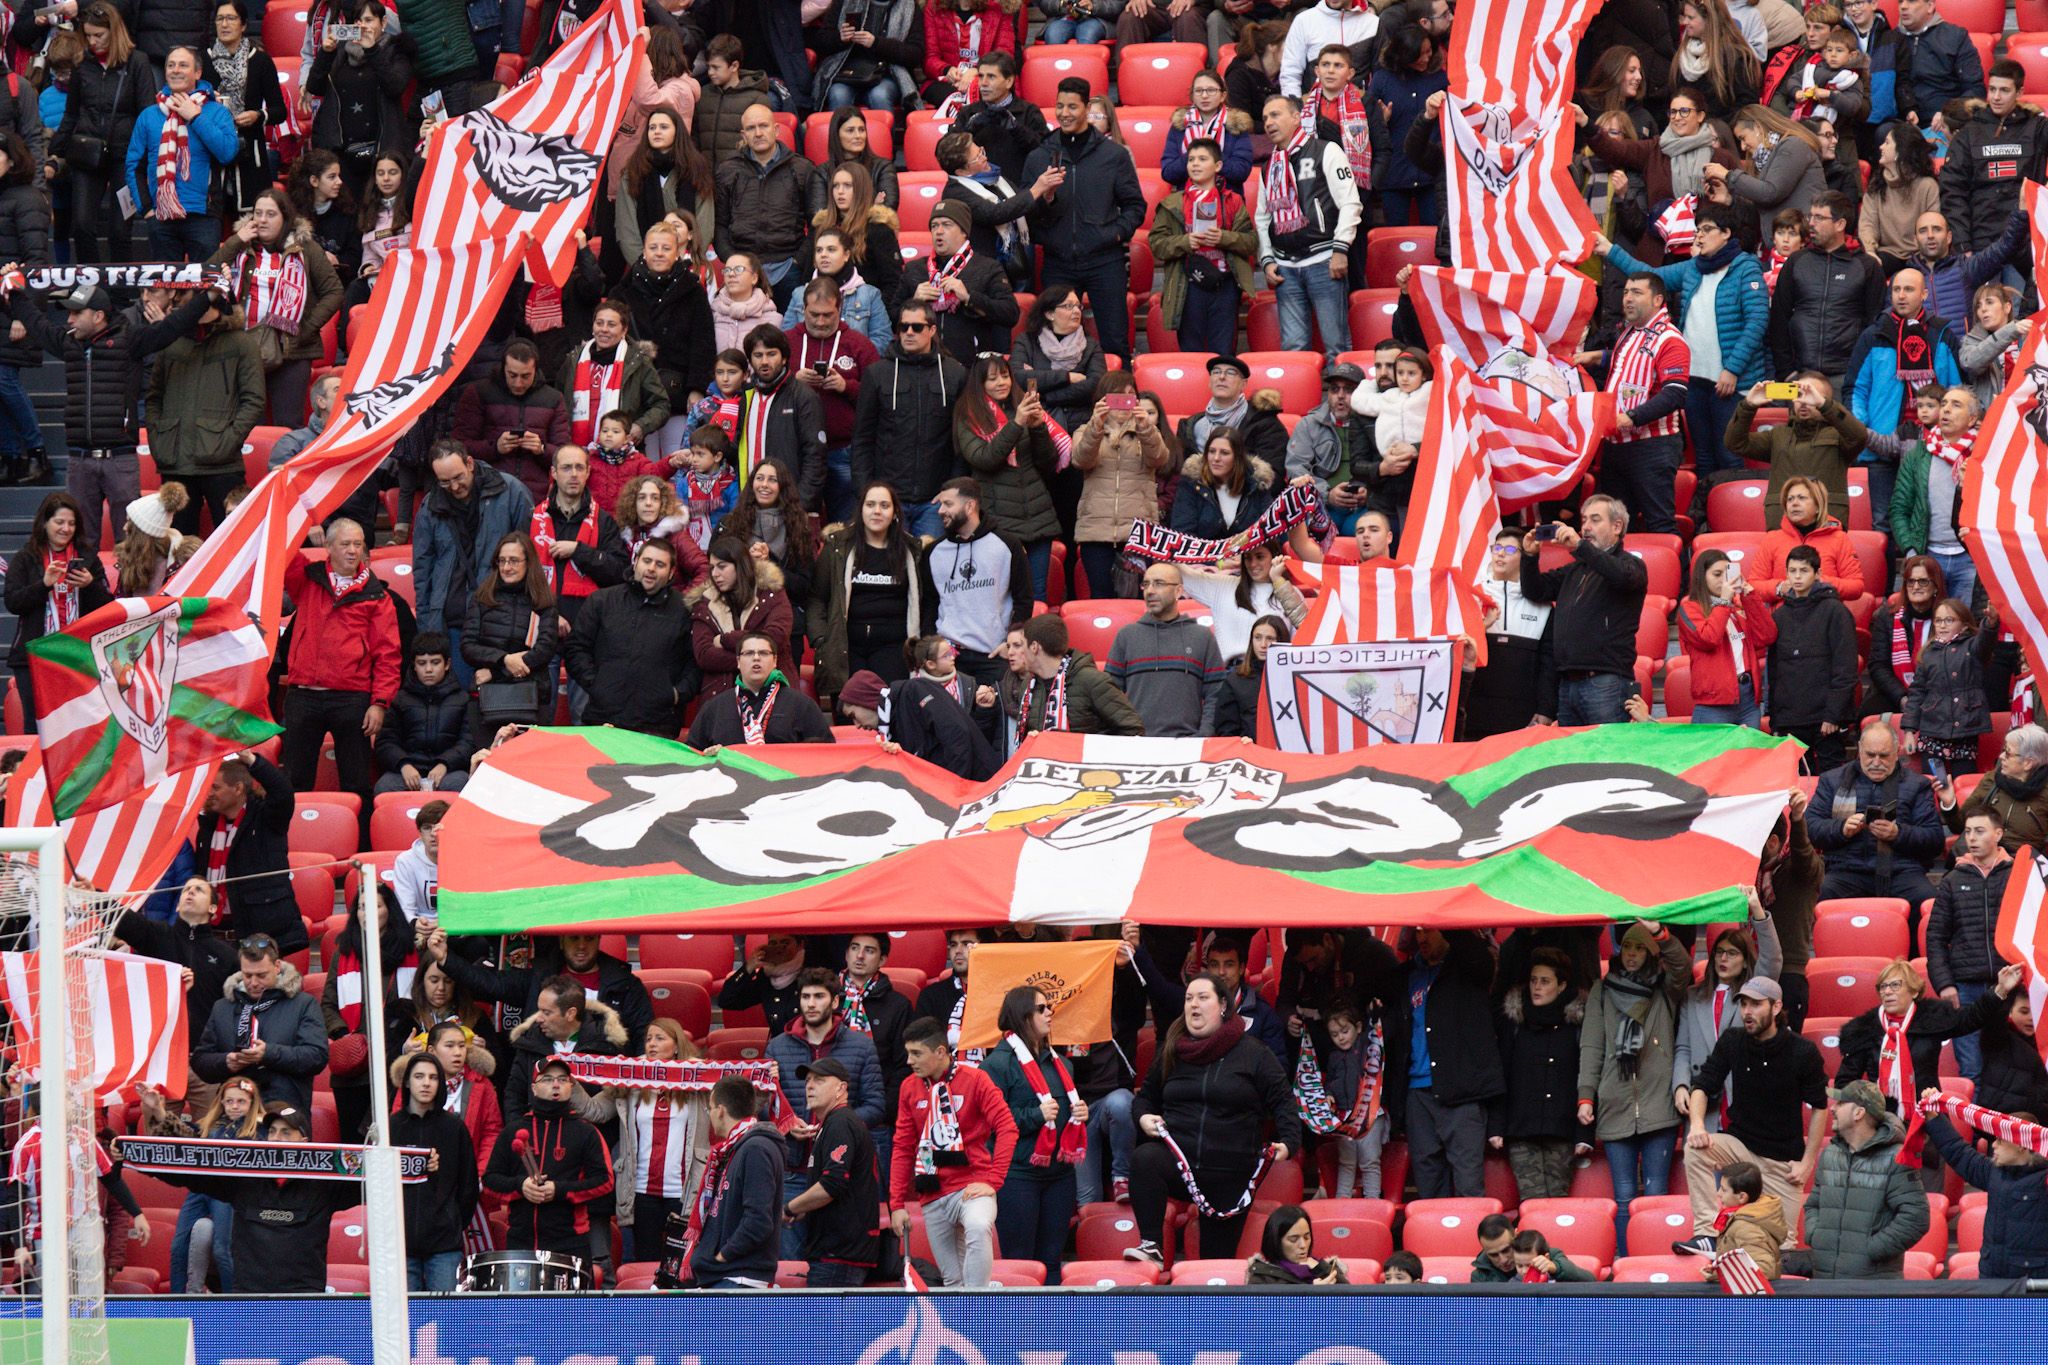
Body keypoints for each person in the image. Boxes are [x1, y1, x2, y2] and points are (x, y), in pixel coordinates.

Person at [1124, 973, 1298, 1266]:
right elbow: (1144, 1098)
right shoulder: (1172, 1050)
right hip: (1179, 1162)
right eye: (1189, 999)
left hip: (1230, 1171)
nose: (1193, 1005)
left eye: (1203, 998)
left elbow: (1283, 1101)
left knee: (1213, 1266)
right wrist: (1142, 1117)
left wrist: (1289, 1142)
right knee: (1144, 1158)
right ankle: (1151, 1246)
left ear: (1223, 1006)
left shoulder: (1254, 1053)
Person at [1594, 209, 1770, 478]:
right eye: (1698, 230)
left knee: (1729, 455)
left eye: (1707, 229)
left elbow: (1757, 321)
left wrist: (1733, 369)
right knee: (1703, 457)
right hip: (1694, 381)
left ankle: (1727, 504)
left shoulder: (1746, 268)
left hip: (1730, 383)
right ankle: (1706, 506)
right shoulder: (1693, 268)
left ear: (1726, 233)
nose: (1699, 235)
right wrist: (1610, 250)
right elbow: (1650, 276)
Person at [130, 1102, 358, 1294]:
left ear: (304, 1141)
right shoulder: (244, 1179)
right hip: (248, 1295)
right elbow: (186, 1173)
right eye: (272, 1132)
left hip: (305, 1297)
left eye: (286, 1132)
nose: (276, 1139)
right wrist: (134, 1155)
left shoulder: (324, 1184)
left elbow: (372, 1182)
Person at [1676, 977, 1829, 1249]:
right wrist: (1697, 1125)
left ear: (1776, 1007)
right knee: (1695, 1148)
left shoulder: (1802, 1051)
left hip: (1781, 1161)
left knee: (1783, 1248)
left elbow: (1820, 1107)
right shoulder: (1733, 1040)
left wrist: (1807, 1163)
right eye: (1744, 1004)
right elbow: (1702, 1086)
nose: (1747, 1012)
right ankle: (1708, 1234)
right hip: (1740, 1148)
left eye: (1756, 1005)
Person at [278, 521, 399, 836]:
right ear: (328, 547)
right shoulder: (308, 579)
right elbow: (282, 550)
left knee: (357, 782)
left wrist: (379, 703)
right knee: (294, 780)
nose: (353, 550)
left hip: (352, 698)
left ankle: (361, 848)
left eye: (358, 544)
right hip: (304, 695)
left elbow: (388, 654)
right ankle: (289, 844)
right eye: (345, 544)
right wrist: (291, 519)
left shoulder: (377, 595)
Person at [1578, 920, 1691, 1254]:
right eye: (1627, 946)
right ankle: (1628, 1264)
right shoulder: (1602, 990)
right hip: (1616, 1103)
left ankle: (1657, 1260)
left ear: (1651, 953)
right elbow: (1592, 1046)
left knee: (1655, 1194)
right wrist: (1586, 1096)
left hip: (1659, 1104)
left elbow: (1683, 967)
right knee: (1624, 1196)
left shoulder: (1665, 988)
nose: (1631, 954)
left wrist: (1661, 935)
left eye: (1640, 948)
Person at [1022, 78, 1146, 362]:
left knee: (1115, 340)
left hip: (1105, 261)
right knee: (1057, 343)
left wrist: (1116, 233)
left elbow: (1135, 206)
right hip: (1058, 262)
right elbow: (1026, 209)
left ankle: (1120, 390)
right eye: (1059, 106)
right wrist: (1046, 200)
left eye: (1072, 106)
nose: (1064, 113)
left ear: (1087, 108)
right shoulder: (1039, 156)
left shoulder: (1113, 155)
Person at [891, 1015, 1018, 1287]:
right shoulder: (908, 1087)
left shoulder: (976, 1079)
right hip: (932, 1189)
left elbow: (1007, 1127)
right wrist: (897, 1204)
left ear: (940, 1052)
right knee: (952, 1280)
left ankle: (976, 1301)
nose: (909, 1061)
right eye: (908, 1053)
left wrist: (993, 1180)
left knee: (979, 1227)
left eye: (916, 1053)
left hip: (972, 1184)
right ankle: (969, 1309)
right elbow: (903, 1146)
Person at [977, 985, 1085, 1281]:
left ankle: (1051, 1314)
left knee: (1052, 1261)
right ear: (1022, 1015)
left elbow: (1061, 1112)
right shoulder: (996, 1065)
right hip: (1017, 1176)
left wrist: (1078, 1114)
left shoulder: (1062, 1064)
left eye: (1049, 1007)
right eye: (1041, 1008)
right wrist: (1035, 1115)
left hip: (1060, 1175)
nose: (1050, 1013)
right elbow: (988, 1122)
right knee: (1020, 1262)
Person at [1392, 928, 1504, 1202]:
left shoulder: (1470, 967)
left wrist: (1446, 920)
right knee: (1429, 1189)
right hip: (1417, 1093)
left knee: (1468, 1188)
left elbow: (1481, 960)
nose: (1421, 938)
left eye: (1429, 930)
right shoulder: (1406, 974)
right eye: (1417, 930)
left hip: (1462, 1091)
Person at [583, 1018, 707, 1266]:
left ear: (677, 1046)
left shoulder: (699, 1077)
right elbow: (593, 1111)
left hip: (684, 1191)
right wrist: (568, 1079)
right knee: (644, 1263)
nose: (651, 1044)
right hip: (641, 1191)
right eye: (648, 1038)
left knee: (682, 1266)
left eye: (660, 1038)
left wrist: (764, 1081)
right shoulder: (631, 1076)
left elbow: (740, 1102)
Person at [1846, 267, 1961, 533]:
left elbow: (1957, 389)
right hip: (1882, 443)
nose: (1901, 295)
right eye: (1896, 289)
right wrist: (1865, 428)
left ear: (1924, 294)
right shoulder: (1874, 335)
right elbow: (1855, 389)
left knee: (1931, 519)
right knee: (1882, 522)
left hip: (1934, 443)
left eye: (1908, 289)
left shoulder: (1941, 333)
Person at [143, 287, 264, 534]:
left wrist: (227, 441)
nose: (189, 307)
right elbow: (154, 398)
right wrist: (159, 439)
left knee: (232, 538)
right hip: (174, 460)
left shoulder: (241, 344)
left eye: (196, 302)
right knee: (177, 542)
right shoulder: (170, 341)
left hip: (222, 464)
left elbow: (254, 400)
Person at [1838, 958, 2024, 1117]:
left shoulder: (1931, 1019)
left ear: (1914, 992)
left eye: (1895, 985)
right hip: (1880, 1121)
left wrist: (2000, 989)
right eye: (1883, 987)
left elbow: (1971, 1017)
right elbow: (1845, 1081)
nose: (1887, 992)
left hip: (1929, 1116)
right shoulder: (1865, 1030)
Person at [1517, 498, 1646, 726]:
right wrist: (1529, 557)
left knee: (1608, 749)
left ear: (1617, 526)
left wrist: (1579, 547)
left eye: (1595, 520)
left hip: (1606, 682)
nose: (1586, 527)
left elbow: (1620, 575)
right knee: (1573, 750)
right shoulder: (1576, 569)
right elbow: (1535, 590)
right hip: (1567, 683)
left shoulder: (1631, 564)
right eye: (1584, 520)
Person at [848, 300, 967, 542]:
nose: (909, 332)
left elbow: (960, 439)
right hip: (888, 499)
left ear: (932, 330)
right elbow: (862, 438)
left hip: (935, 499)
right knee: (889, 563)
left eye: (917, 327)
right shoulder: (877, 373)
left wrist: (952, 490)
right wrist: (866, 491)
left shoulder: (955, 373)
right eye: (903, 327)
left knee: (929, 563)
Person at [483, 1056, 617, 1268]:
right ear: (533, 1088)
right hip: (521, 1241)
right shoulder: (512, 1131)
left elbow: (604, 1181)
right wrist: (521, 1186)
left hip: (571, 1243)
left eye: (563, 1079)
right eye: (547, 1079)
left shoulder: (586, 1132)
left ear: (571, 1087)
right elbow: (490, 1180)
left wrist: (559, 1190)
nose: (556, 1084)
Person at [413, 443, 537, 669]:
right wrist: (426, 627)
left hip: (500, 621)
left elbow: (531, 556)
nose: (454, 487)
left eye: (458, 477)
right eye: (444, 482)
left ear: (469, 463)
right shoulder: (430, 505)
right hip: (451, 620)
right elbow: (423, 571)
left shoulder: (512, 492)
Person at [1253, 94, 1358, 361]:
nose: (1268, 122)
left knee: (1336, 346)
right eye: (1265, 118)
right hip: (1284, 266)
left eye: (1275, 115)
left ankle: (1341, 390)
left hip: (1324, 259)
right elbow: (1263, 218)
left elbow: (1350, 203)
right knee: (1293, 349)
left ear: (1296, 117)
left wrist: (1341, 249)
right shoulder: (1268, 167)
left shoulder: (1327, 150)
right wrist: (1267, 259)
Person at [1673, 898, 1784, 1138]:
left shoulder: (1753, 994)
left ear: (1745, 961)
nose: (1723, 959)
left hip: (1743, 1096)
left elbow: (1772, 959)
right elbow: (1683, 1048)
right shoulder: (1692, 996)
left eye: (1732, 953)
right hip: (1703, 1099)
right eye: (1719, 952)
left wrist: (1758, 911)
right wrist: (1680, 1085)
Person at [1800, 1078, 1932, 1279]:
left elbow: (1916, 1218)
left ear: (1859, 1113)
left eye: (1841, 1103)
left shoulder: (1897, 1158)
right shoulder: (1830, 1154)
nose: (1833, 1108)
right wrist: (1816, 1236)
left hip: (1872, 1286)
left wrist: (1871, 1250)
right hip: (1825, 1281)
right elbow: (1813, 1205)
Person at [563, 536, 695, 737]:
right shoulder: (602, 601)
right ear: (636, 562)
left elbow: (694, 662)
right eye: (647, 561)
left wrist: (676, 694)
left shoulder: (685, 610)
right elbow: (576, 648)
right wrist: (597, 685)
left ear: (671, 573)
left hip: (658, 725)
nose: (651, 568)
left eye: (660, 564)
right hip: (604, 719)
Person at [1809, 719, 1945, 910]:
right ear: (1859, 749)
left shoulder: (1917, 785)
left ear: (1897, 753)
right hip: (1846, 870)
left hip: (1902, 871)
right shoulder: (1832, 780)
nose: (1876, 762)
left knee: (1929, 902)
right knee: (1820, 895)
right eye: (1870, 755)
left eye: (1884, 756)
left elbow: (1934, 840)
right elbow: (1811, 828)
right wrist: (1841, 829)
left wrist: (1898, 834)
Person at [3, 493, 111, 723]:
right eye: (59, 522)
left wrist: (89, 586)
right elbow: (13, 602)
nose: (66, 529)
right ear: (45, 523)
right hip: (34, 655)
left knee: (79, 726)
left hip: (80, 655)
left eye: (71, 523)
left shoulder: (88, 558)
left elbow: (108, 608)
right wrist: (44, 585)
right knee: (37, 726)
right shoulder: (26, 557)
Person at [122, 46, 238, 260]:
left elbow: (227, 153)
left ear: (197, 73)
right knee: (166, 282)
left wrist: (195, 117)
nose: (175, 70)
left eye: (183, 65)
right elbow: (134, 167)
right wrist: (146, 209)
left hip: (204, 215)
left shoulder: (217, 111)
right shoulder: (149, 115)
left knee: (204, 280)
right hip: (161, 217)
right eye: (171, 65)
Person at [192, 934, 330, 1114]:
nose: (254, 983)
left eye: (261, 975)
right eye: (247, 975)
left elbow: (316, 1056)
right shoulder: (223, 1007)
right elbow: (200, 1060)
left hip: (283, 1113)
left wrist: (268, 1054)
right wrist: (226, 1061)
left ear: (277, 967)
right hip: (234, 1112)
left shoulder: (303, 1004)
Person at [1922, 1085, 2048, 1278]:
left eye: (2001, 1140)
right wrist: (1933, 1118)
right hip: (1991, 1277)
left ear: (2022, 1146)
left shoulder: (2044, 1180)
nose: (1994, 1145)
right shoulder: (1993, 1171)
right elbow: (1958, 1151)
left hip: (2033, 1284)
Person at [918, 478, 1032, 689]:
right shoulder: (933, 552)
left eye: (948, 504)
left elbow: (1024, 600)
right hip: (950, 658)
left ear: (970, 506)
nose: (940, 511)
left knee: (996, 710)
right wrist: (932, 647)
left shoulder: (1007, 545)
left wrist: (1010, 645)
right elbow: (930, 605)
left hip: (994, 655)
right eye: (941, 504)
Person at [781, 1057, 881, 1287]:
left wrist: (789, 1208)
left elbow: (831, 1186)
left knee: (827, 1312)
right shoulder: (831, 1124)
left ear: (841, 1088)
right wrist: (805, 1208)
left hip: (839, 1254)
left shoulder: (840, 1123)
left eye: (819, 1080)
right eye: (807, 1081)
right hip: (836, 1252)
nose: (810, 1086)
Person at [1072, 376, 1174, 598]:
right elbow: (1081, 460)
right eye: (1117, 396)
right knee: (1101, 597)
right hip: (1096, 532)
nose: (1123, 403)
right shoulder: (1085, 430)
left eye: (1129, 396)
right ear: (1103, 400)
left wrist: (1145, 428)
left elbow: (1159, 459)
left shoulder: (1147, 431)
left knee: (1138, 597)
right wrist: (1096, 426)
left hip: (1138, 533)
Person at [1768, 190, 1886, 383]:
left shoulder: (1867, 266)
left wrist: (1860, 372)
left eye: (1819, 218)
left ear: (1840, 224)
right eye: (1810, 216)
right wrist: (1786, 371)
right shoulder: (1796, 262)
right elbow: (1779, 319)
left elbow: (1874, 324)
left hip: (1847, 377)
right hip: (1799, 375)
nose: (1811, 223)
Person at [192, 752, 304, 953]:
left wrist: (252, 760)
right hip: (213, 935)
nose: (209, 793)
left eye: (216, 787)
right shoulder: (208, 825)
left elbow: (283, 792)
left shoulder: (267, 818)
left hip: (258, 935)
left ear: (238, 788)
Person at [389, 1052, 479, 1292]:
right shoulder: (391, 1128)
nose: (426, 1083)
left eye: (433, 1077)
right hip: (400, 1244)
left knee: (444, 1313)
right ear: (407, 1082)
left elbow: (468, 1186)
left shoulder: (454, 1127)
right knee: (403, 1314)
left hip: (444, 1246)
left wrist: (451, 1222)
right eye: (419, 1076)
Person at [1727, 374, 1868, 525]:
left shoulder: (1839, 436)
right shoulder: (1778, 435)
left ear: (1825, 401)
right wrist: (1747, 407)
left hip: (1827, 524)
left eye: (1811, 395)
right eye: (1798, 394)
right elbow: (1735, 443)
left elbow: (1859, 436)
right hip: (1782, 524)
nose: (1804, 402)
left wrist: (1824, 405)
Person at [1766, 546, 1860, 773]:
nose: (1797, 577)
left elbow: (1845, 667)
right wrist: (1776, 719)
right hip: (1790, 719)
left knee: (1831, 780)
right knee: (1795, 782)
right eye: (1792, 571)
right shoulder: (1779, 616)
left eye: (1804, 571)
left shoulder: (1835, 611)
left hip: (1826, 719)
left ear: (1817, 574)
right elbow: (1775, 672)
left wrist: (1834, 715)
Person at [713, 104, 816, 312]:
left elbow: (817, 224)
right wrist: (733, 260)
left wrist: (798, 261)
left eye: (763, 126)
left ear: (776, 130)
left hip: (789, 267)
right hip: (743, 269)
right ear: (743, 135)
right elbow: (719, 225)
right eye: (751, 128)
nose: (758, 133)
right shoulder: (727, 170)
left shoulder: (802, 168)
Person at [1106, 564, 1224, 738]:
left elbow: (1216, 693)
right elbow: (1109, 695)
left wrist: (1204, 735)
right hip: (1136, 745)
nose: (1150, 591)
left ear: (1178, 591)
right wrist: (1124, 735)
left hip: (1188, 745)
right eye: (1146, 584)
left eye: (1159, 583)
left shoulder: (1202, 637)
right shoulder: (1126, 636)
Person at [898, 198, 1017, 362]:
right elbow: (892, 317)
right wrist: (914, 302)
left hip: (970, 365)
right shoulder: (914, 269)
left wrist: (969, 298)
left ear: (964, 232)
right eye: (934, 226)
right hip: (921, 364)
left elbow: (1010, 314)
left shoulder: (988, 268)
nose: (939, 231)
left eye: (946, 225)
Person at [452, 343, 571, 504]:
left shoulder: (553, 399)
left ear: (536, 371)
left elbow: (565, 454)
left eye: (525, 376)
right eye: (512, 375)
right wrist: (495, 448)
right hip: (488, 492)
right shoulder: (479, 392)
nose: (518, 383)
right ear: (503, 369)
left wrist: (541, 449)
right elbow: (459, 447)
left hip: (535, 495)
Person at [838, 668, 1000, 779]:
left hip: (979, 783)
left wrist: (954, 786)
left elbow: (956, 734)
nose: (857, 725)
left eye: (853, 715)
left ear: (865, 700)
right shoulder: (892, 727)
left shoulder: (914, 691)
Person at [1676, 548, 1776, 728]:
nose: (1724, 580)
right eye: (1717, 574)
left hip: (1747, 700)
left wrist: (1749, 596)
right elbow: (1709, 638)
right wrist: (1723, 602)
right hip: (1714, 705)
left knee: (1749, 748)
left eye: (1727, 573)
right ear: (1702, 577)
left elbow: (1767, 636)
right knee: (1715, 748)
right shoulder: (1690, 608)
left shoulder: (1736, 608)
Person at [690, 536, 794, 701]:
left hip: (773, 695)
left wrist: (725, 640)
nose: (715, 574)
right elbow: (704, 655)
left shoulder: (772, 593)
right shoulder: (704, 603)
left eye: (722, 566)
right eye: (712, 568)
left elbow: (775, 638)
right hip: (722, 698)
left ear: (740, 565)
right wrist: (756, 658)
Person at [686, 631, 833, 747]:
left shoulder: (801, 705)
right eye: (749, 653)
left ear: (775, 661)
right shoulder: (714, 707)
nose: (756, 658)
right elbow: (692, 754)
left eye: (763, 653)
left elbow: (823, 752)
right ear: (738, 661)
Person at [1014, 612, 1145, 738]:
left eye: (1021, 645)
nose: (1019, 652)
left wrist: (1085, 746)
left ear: (1034, 647)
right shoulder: (1028, 685)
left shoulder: (1092, 681)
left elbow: (1133, 729)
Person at [1748, 475, 1864, 600]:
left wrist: (1820, 583)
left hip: (1824, 609)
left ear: (1818, 506)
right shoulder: (1772, 539)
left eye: (1801, 498)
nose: (1794, 503)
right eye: (1790, 499)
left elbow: (1856, 587)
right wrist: (1780, 588)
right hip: (1784, 610)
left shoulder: (1839, 539)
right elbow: (1753, 585)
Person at [1941, 722, 2048, 852]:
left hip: (2023, 860)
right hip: (1982, 857)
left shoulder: (2045, 791)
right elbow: (1959, 826)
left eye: (2008, 753)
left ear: (2028, 763)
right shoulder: (1992, 780)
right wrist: (1949, 803)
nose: (2001, 757)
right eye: (2003, 750)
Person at [1283, 361, 1372, 516]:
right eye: (1335, 389)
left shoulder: (1373, 424)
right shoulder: (1309, 425)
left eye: (1349, 390)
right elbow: (1296, 469)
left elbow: (1383, 468)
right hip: (1321, 504)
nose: (1340, 396)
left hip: (1364, 505)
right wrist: (1327, 495)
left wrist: (1370, 492)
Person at [957, 53, 1048, 190]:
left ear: (1009, 81)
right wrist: (968, 131)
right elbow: (948, 155)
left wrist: (1016, 129)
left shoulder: (1029, 112)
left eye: (991, 77)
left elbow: (1044, 152)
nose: (983, 83)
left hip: (1021, 191)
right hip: (977, 192)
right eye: (981, 76)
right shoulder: (968, 113)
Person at [1894, 0, 1985, 127]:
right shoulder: (1889, 40)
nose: (1903, 6)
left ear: (1930, 6)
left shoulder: (1956, 37)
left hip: (1946, 123)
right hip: (1902, 122)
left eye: (1912, 1)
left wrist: (1950, 114)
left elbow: (1975, 89)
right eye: (1900, 1)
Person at [1246, 1204, 1347, 1285]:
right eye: (1293, 1239)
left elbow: (1351, 1301)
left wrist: (1321, 1269)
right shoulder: (1261, 1277)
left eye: (1306, 1237)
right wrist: (1312, 1295)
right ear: (1276, 1242)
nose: (1303, 1245)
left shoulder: (1326, 1269)